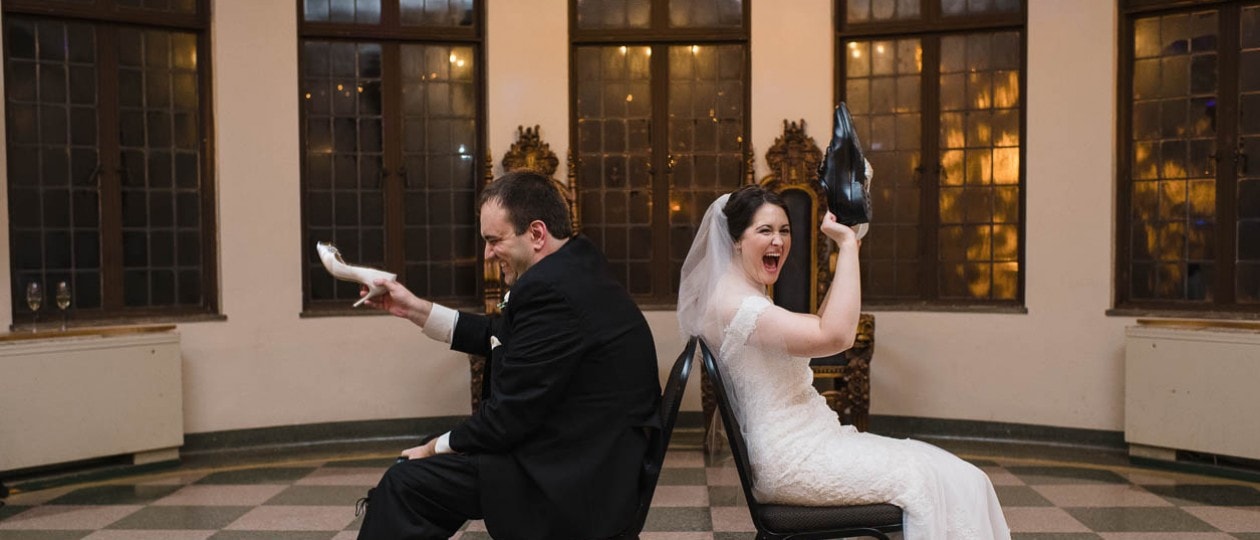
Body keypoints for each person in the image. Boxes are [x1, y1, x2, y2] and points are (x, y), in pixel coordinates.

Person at [678, 184, 1010, 539]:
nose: (778, 241)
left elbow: (821, 326)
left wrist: (851, 247)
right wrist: (847, 247)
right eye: (765, 230)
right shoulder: (741, 307)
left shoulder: (739, 295)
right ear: (736, 239)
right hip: (794, 461)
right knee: (947, 479)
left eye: (784, 230)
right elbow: (835, 337)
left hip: (808, 444)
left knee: (953, 472)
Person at [357, 170, 662, 540]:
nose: (486, 254)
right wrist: (413, 308)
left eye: (494, 240)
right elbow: (497, 335)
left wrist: (435, 448)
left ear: (536, 234)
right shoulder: (574, 267)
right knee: (427, 458)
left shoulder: (553, 293)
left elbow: (507, 418)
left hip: (573, 479)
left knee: (407, 482)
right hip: (580, 448)